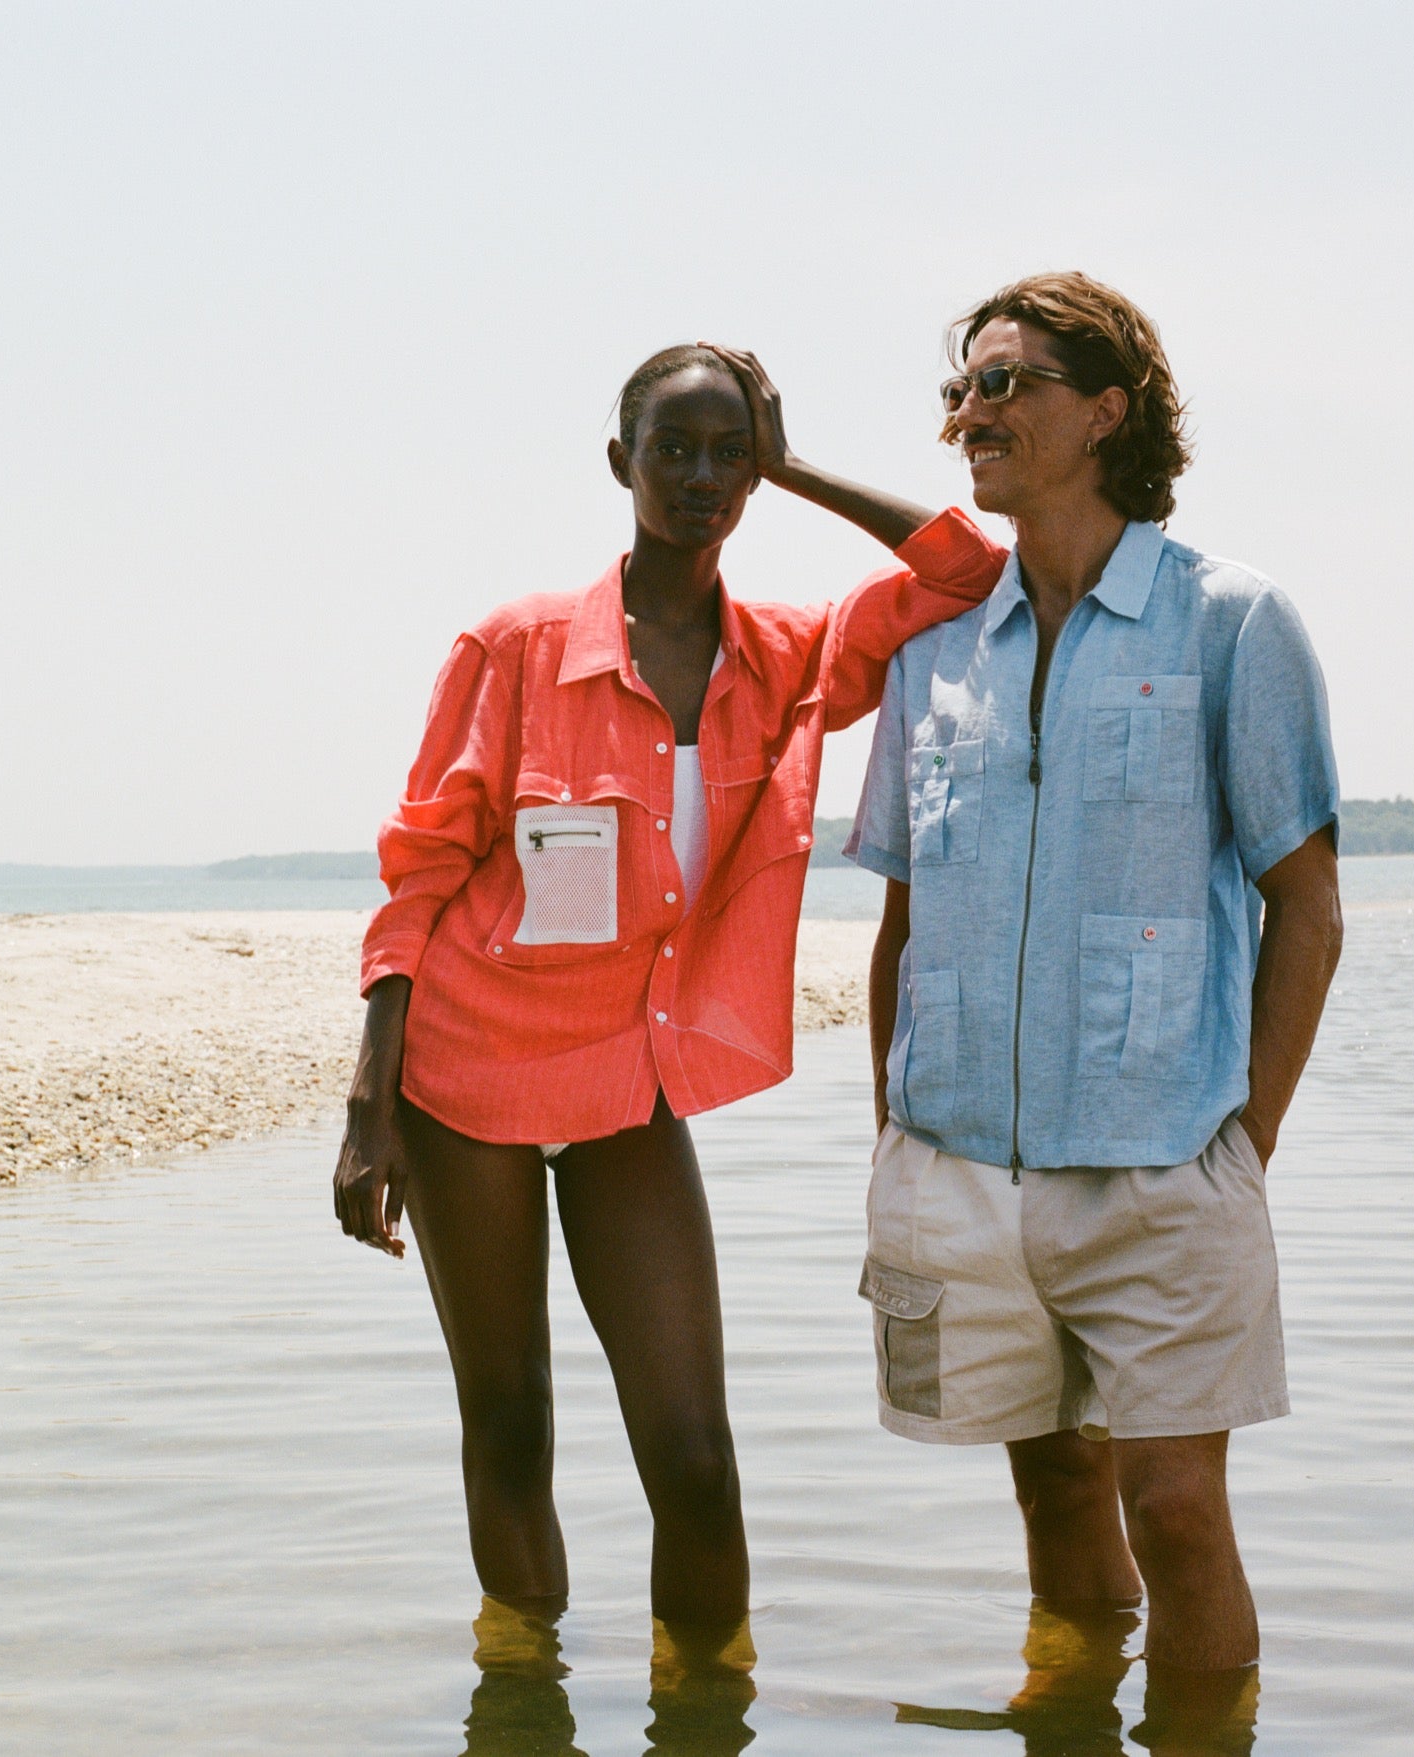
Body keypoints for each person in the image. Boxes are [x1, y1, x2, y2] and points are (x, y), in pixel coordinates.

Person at [331, 344, 1007, 1683]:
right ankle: (523, 1699)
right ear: (620, 463)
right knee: (511, 1417)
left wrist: (794, 456)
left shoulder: (790, 657)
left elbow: (964, 572)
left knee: (695, 1458)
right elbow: (421, 871)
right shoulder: (518, 648)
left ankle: (707, 1711)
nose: (702, 477)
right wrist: (369, 1106)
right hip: (466, 1070)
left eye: (727, 451)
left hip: (630, 1082)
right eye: (674, 449)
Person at [849, 272, 1343, 1735]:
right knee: (1055, 1485)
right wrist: (891, 1135)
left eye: (1006, 384)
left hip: (1163, 1168)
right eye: (964, 390)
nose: (972, 413)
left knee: (1177, 1507)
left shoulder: (1232, 623)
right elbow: (899, 918)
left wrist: (1242, 1139)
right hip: (959, 1168)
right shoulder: (933, 658)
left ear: (1106, 409)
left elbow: (1305, 908)